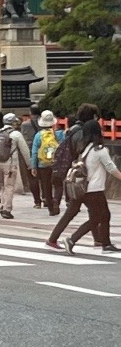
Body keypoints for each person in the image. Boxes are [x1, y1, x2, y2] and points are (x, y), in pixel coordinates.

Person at [46, 103, 100, 249]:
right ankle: (58, 239)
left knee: (79, 210)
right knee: (90, 210)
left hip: (72, 175)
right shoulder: (81, 133)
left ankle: (98, 239)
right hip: (80, 177)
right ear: (92, 117)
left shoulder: (72, 131)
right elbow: (81, 154)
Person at [64, 120, 121, 254]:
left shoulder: (85, 149)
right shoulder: (100, 150)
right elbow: (110, 168)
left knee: (105, 215)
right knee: (97, 218)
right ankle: (72, 239)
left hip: (85, 188)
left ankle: (106, 244)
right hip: (94, 189)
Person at [0, 113, 31, 219]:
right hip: (10, 164)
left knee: (2, 184)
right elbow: (25, 150)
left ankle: (2, 204)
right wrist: (30, 164)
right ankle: (7, 209)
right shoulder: (16, 134)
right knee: (9, 186)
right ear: (14, 122)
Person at [31, 110, 65, 216]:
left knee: (46, 186)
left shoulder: (38, 135)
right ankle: (56, 201)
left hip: (43, 164)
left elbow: (35, 152)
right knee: (58, 184)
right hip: (56, 164)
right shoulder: (59, 134)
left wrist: (33, 166)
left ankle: (51, 208)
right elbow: (63, 149)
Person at [19, 104, 43, 207]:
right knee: (45, 177)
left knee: (32, 178)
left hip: (29, 151)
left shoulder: (25, 124)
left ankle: (37, 201)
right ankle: (46, 197)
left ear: (30, 112)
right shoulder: (44, 123)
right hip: (44, 151)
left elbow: (23, 138)